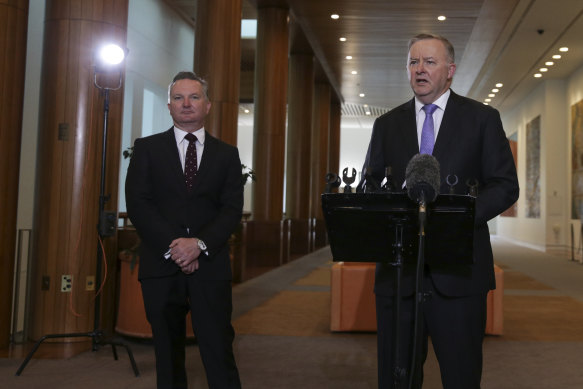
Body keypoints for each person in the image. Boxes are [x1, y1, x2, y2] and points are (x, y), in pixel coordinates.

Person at [362, 34, 519, 388]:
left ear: (450, 70)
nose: (420, 69)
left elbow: (505, 185)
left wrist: (459, 218)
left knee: (461, 377)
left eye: (429, 62)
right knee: (395, 378)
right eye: (413, 62)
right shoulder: (386, 125)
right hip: (399, 275)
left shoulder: (482, 119)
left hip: (460, 274)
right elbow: (370, 186)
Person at [125, 71, 243, 389]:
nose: (186, 103)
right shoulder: (146, 149)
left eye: (194, 97)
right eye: (178, 97)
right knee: (167, 355)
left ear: (207, 105)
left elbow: (231, 209)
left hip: (210, 265)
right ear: (169, 106)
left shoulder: (227, 155)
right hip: (161, 266)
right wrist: (176, 246)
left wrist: (199, 245)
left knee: (219, 351)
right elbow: (138, 204)